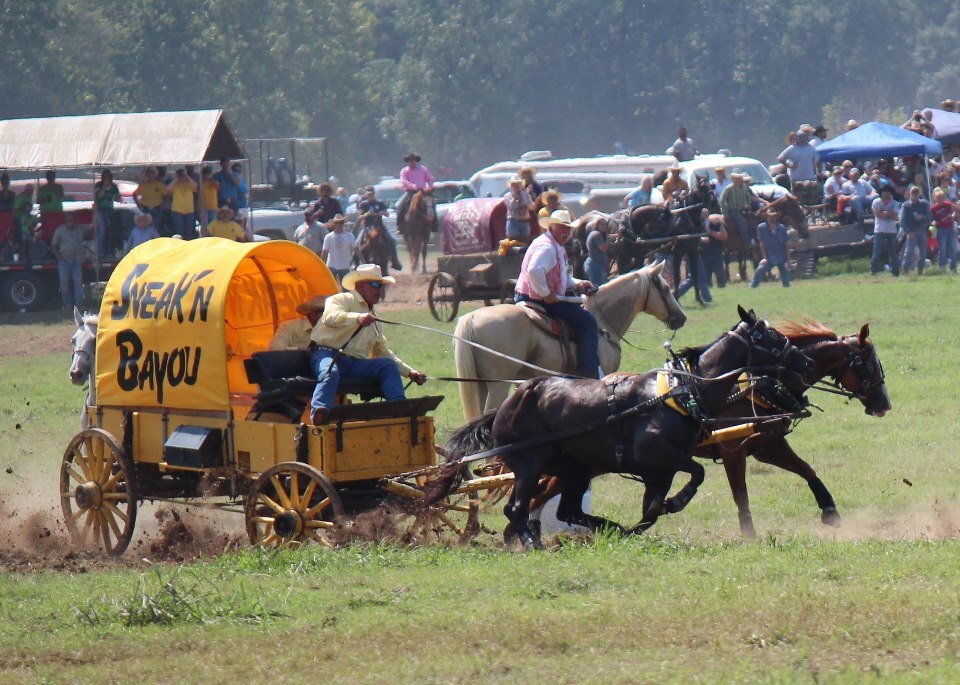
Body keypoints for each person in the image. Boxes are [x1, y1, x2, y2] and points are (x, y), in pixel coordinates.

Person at [308, 264, 426, 425]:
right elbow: (330, 317)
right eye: (375, 284)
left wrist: (410, 372)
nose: (379, 290)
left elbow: (383, 352)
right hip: (327, 354)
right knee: (330, 371)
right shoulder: (340, 299)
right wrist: (357, 318)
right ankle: (320, 413)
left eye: (381, 286)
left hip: (354, 364)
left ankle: (400, 409)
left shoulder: (374, 319)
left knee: (387, 365)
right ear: (360, 285)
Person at [514, 209, 599, 379]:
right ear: (551, 227)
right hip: (537, 298)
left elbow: (561, 278)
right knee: (588, 322)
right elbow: (534, 271)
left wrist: (578, 283)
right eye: (562, 228)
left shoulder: (553, 245)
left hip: (534, 294)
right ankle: (589, 374)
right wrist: (545, 293)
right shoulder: (548, 248)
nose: (566, 232)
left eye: (568, 228)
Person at [50, 212, 89, 310]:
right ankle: (67, 305)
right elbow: (54, 245)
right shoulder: (60, 230)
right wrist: (58, 255)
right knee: (64, 285)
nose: (70, 222)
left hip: (77, 261)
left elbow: (93, 226)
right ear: (65, 220)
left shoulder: (80, 228)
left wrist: (95, 210)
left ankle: (79, 305)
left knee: (78, 284)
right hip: (64, 261)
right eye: (68, 220)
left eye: (72, 219)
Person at [357, 185, 401, 270]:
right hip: (367, 227)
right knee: (357, 243)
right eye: (369, 194)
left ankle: (394, 261)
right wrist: (367, 214)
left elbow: (387, 214)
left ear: (374, 194)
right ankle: (355, 262)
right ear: (366, 195)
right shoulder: (364, 204)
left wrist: (382, 213)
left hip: (379, 226)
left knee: (391, 240)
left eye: (372, 194)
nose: (371, 196)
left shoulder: (380, 203)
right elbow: (360, 217)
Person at [749, 207, 791, 288]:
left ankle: (786, 288)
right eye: (770, 216)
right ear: (766, 217)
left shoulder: (782, 228)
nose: (772, 218)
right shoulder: (761, 228)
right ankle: (752, 287)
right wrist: (764, 258)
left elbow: (787, 245)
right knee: (760, 269)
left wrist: (788, 260)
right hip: (769, 256)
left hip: (781, 256)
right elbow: (762, 244)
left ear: (776, 217)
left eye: (774, 216)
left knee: (786, 275)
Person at [396, 153, 434, 233]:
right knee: (399, 205)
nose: (412, 161)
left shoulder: (423, 169)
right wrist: (413, 186)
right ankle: (399, 226)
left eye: (413, 160)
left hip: (422, 191)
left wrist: (429, 187)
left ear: (416, 160)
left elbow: (430, 178)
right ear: (408, 161)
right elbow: (404, 181)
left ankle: (434, 224)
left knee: (432, 204)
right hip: (410, 192)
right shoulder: (404, 171)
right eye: (410, 160)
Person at [900, 185, 932, 275]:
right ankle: (905, 269)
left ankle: (920, 270)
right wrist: (908, 232)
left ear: (919, 194)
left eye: (916, 194)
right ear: (910, 194)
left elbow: (930, 216)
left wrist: (921, 217)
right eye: (913, 193)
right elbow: (902, 221)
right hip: (911, 231)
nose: (914, 196)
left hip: (921, 230)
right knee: (909, 252)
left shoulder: (924, 203)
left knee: (923, 252)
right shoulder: (905, 205)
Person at [870, 188, 900, 276]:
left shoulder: (895, 203)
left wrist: (885, 212)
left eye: (888, 192)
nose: (886, 194)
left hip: (892, 231)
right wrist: (889, 213)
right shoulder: (876, 202)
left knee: (893, 253)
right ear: (881, 193)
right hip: (879, 231)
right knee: (876, 252)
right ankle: (873, 271)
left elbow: (895, 217)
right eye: (885, 192)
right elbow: (878, 215)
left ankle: (895, 272)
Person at [720, 172, 754, 245]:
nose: (738, 180)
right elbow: (722, 200)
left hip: (742, 210)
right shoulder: (728, 188)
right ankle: (747, 243)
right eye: (736, 179)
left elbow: (748, 196)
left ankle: (753, 238)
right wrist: (725, 212)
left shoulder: (744, 187)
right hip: (733, 211)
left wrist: (748, 205)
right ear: (733, 179)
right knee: (742, 223)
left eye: (739, 179)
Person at [94, 169, 122, 258]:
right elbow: (99, 195)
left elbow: (118, 197)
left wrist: (117, 197)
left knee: (111, 230)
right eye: (105, 176)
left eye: (109, 176)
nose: (107, 178)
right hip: (100, 210)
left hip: (110, 210)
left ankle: (110, 251)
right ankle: (101, 252)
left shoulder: (114, 187)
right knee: (102, 230)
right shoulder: (98, 185)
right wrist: (104, 187)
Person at [321, 214, 356, 282]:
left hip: (345, 266)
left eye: (341, 222)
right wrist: (321, 264)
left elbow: (356, 249)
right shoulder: (328, 237)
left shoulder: (349, 236)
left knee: (345, 289)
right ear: (334, 224)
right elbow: (325, 252)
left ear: (343, 223)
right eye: (337, 223)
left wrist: (363, 261)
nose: (339, 224)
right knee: (331, 288)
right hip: (331, 265)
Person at [930, 187, 958, 272]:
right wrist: (933, 222)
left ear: (944, 198)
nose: (940, 199)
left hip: (950, 229)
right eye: (938, 198)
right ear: (935, 198)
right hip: (941, 230)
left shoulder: (948, 204)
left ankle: (953, 268)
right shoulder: (933, 208)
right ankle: (942, 268)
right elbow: (931, 219)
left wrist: (954, 214)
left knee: (953, 249)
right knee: (942, 250)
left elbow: (957, 209)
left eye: (941, 198)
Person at [167, 168, 198, 239]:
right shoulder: (174, 184)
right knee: (179, 231)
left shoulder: (189, 183)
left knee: (189, 231)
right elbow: (168, 189)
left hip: (189, 211)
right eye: (179, 175)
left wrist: (186, 176)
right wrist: (176, 179)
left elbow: (195, 185)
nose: (181, 176)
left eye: (182, 175)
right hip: (177, 211)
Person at [503, 176, 535, 240]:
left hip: (525, 222)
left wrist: (527, 195)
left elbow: (532, 206)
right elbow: (510, 207)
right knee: (513, 243)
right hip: (513, 222)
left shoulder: (525, 194)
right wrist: (515, 198)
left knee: (525, 243)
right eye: (515, 184)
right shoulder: (507, 196)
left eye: (519, 184)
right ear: (512, 185)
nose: (517, 186)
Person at [233, 162, 250, 233]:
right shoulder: (233, 181)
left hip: (244, 205)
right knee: (239, 223)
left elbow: (246, 191)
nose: (238, 172)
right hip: (238, 206)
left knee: (245, 224)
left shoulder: (242, 181)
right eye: (236, 170)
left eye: (239, 170)